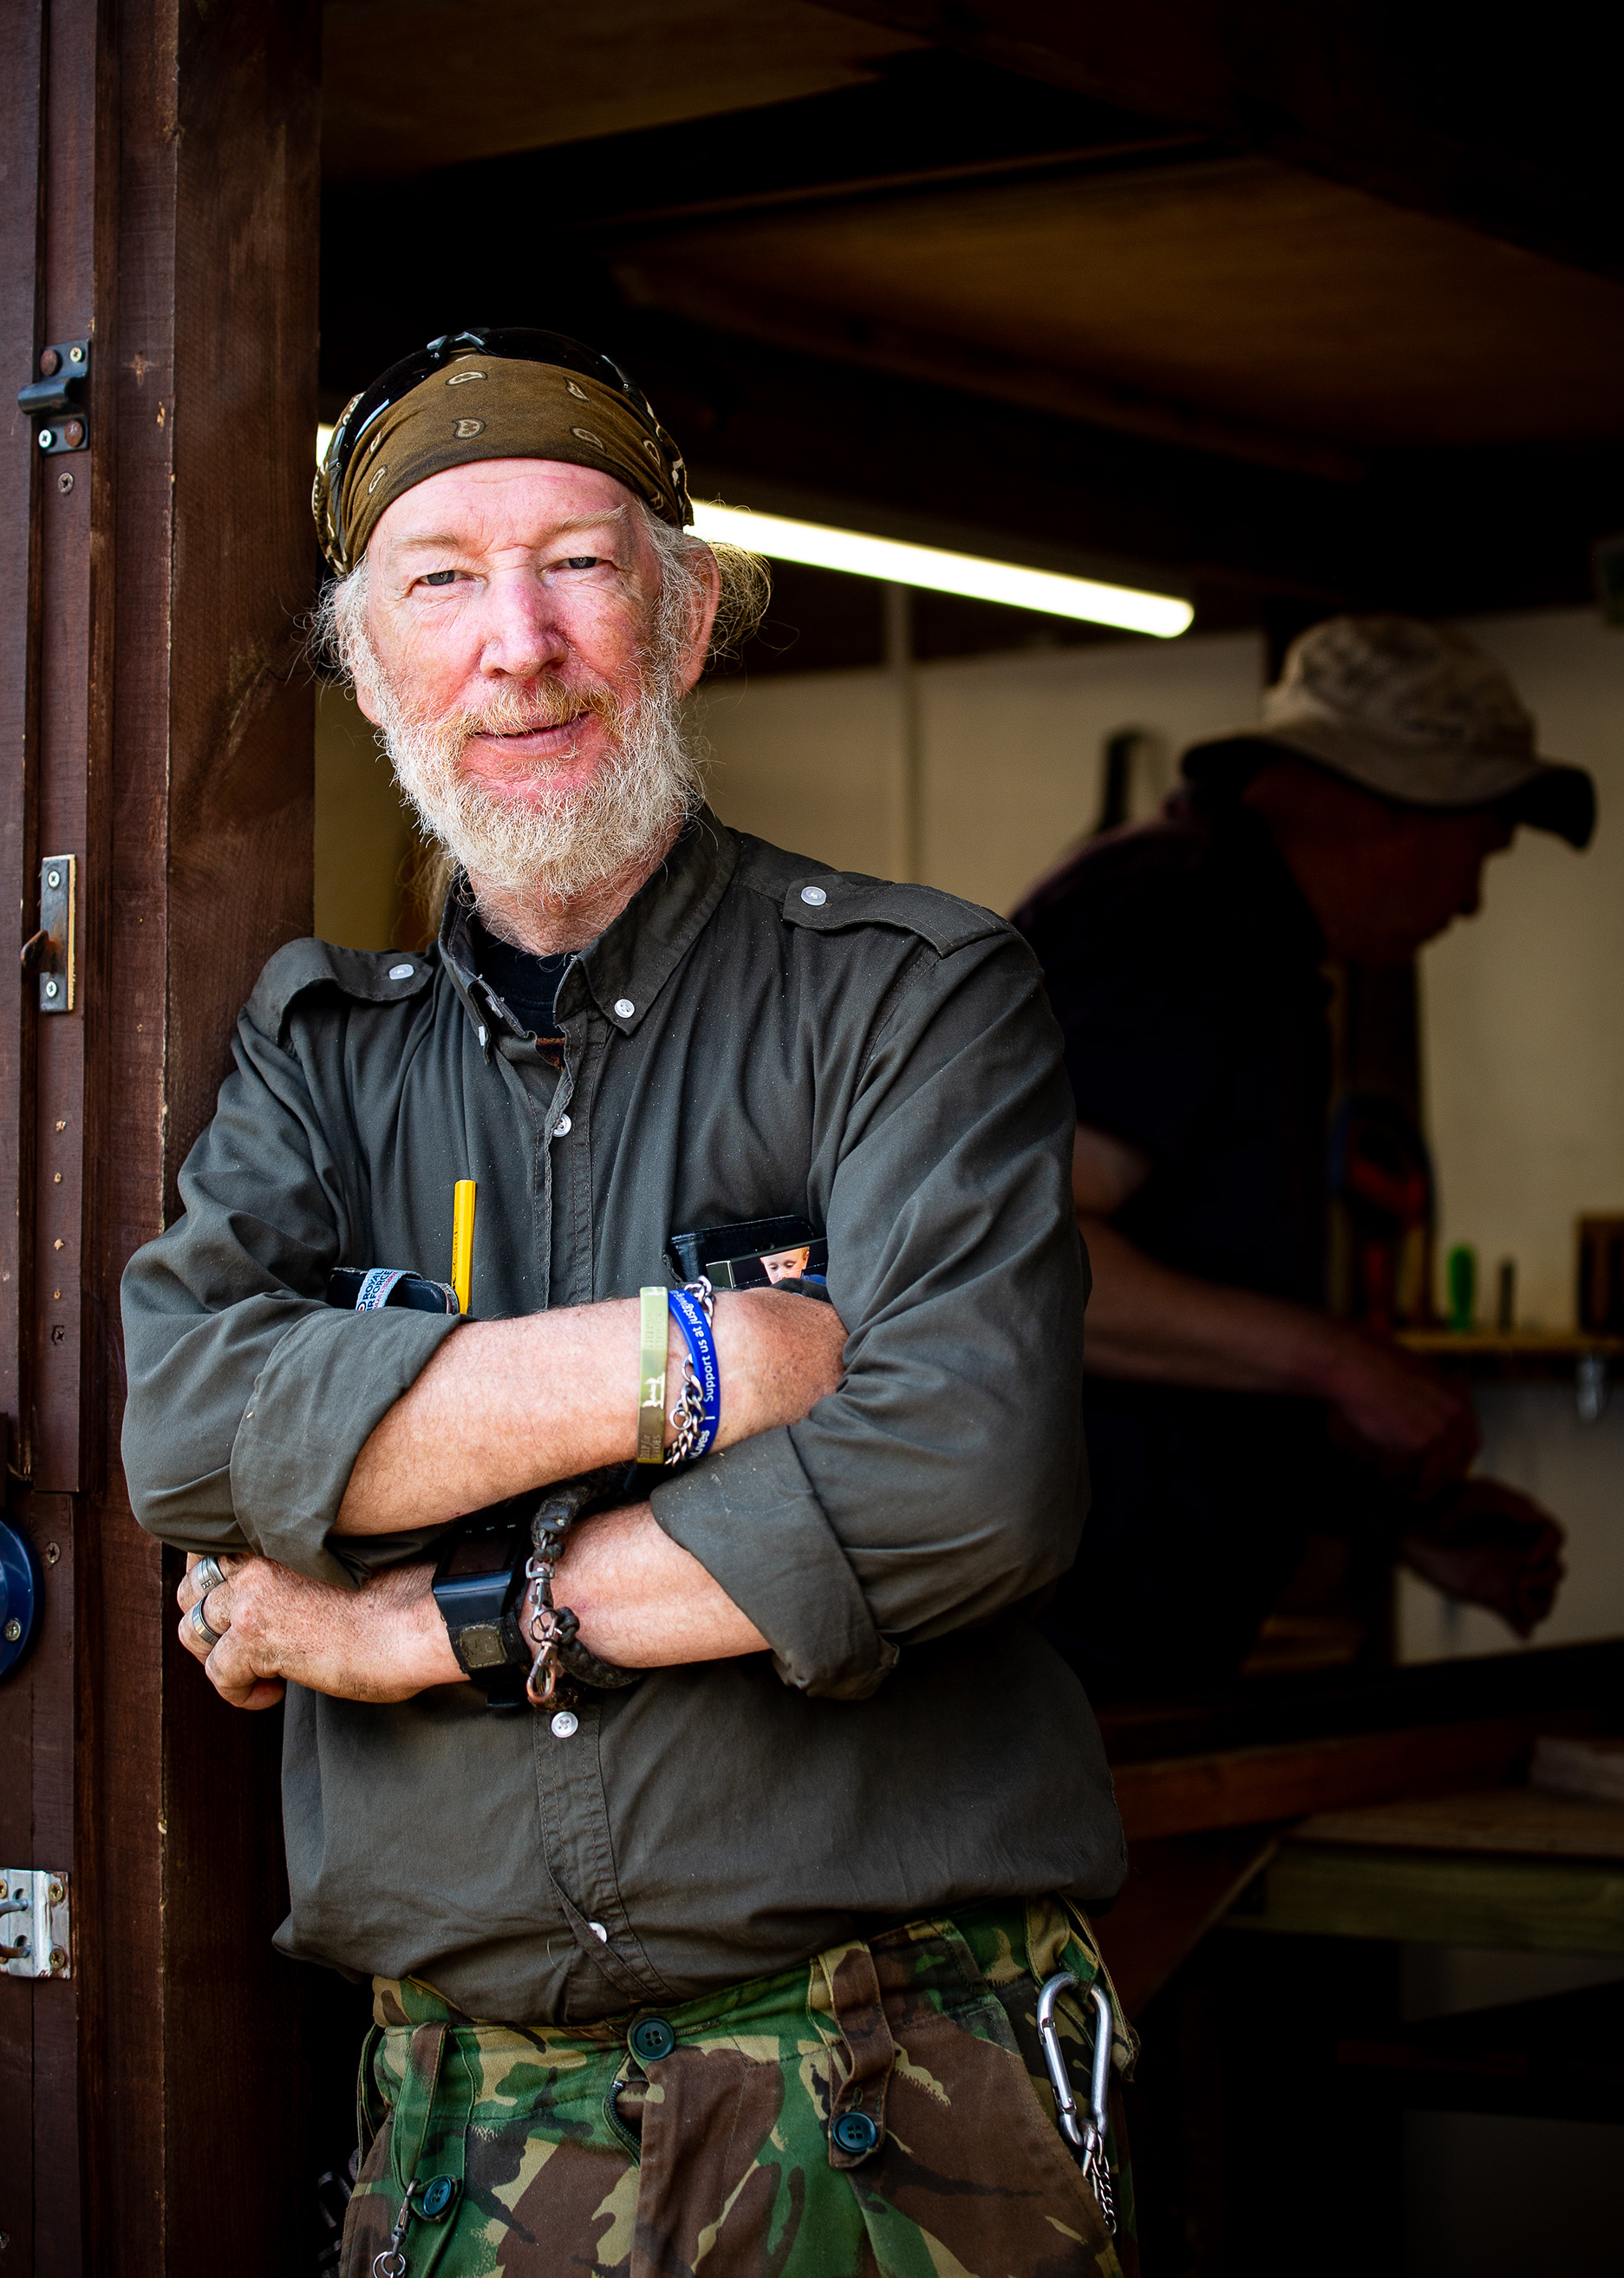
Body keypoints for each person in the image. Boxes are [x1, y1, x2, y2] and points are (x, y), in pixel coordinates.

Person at [119, 330, 1134, 2277]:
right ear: (368, 669)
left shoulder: (912, 999)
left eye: (580, 565)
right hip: (466, 2128)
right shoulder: (319, 1061)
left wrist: (413, 1629)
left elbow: (964, 1485)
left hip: (888, 2089)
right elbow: (187, 1431)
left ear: (683, 624)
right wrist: (700, 1361)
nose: (519, 646)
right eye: (440, 582)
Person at [1013, 616, 1583, 1700]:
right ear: (1397, 803)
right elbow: (1021, 1254)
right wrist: (1342, 1363)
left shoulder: (1254, 947)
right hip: (1055, 1665)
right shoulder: (1174, 921)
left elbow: (1180, 1354)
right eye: (1482, 850)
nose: (1471, 900)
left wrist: (1391, 1522)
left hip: (1126, 1653)